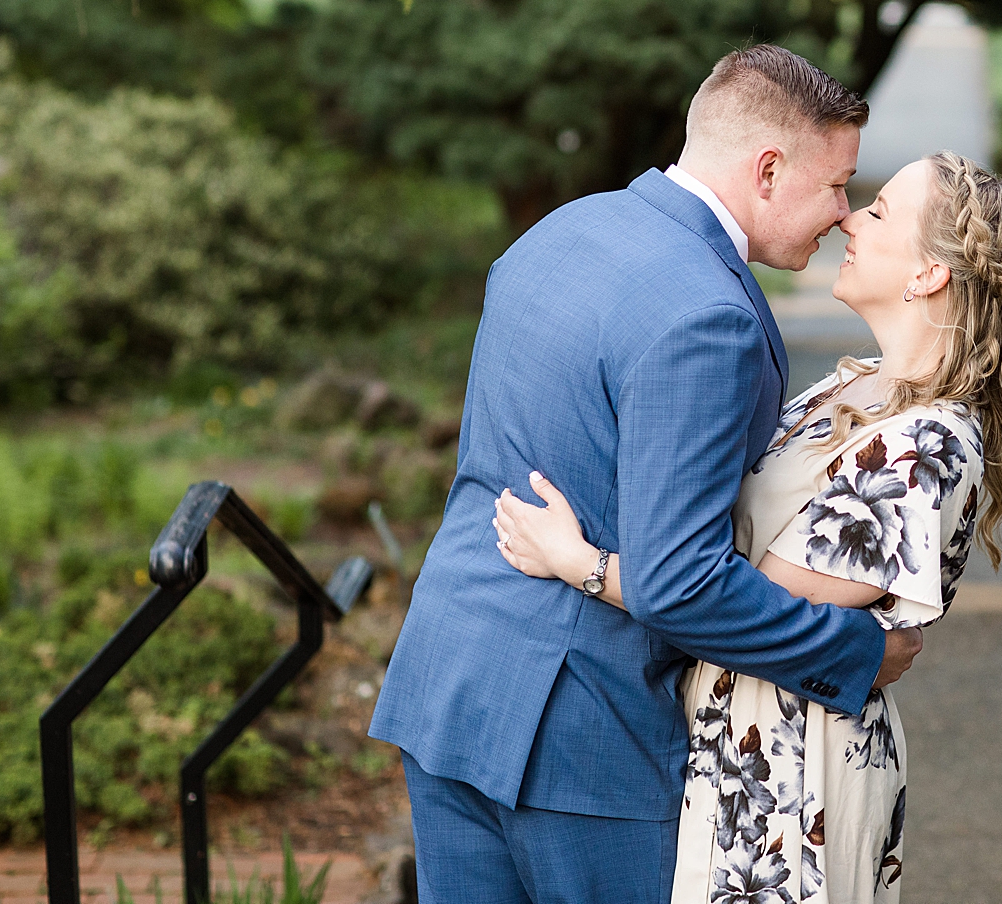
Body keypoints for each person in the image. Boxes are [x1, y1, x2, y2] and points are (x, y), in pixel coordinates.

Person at [370, 45, 927, 904]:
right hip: (587, 742)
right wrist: (858, 652)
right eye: (835, 187)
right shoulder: (707, 314)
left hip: (448, 688)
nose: (842, 214)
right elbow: (679, 584)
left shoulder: (555, 235)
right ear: (769, 169)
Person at [492, 149, 1002, 903]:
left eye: (878, 212)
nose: (851, 216)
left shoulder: (930, 444)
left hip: (796, 768)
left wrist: (579, 562)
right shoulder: (855, 386)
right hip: (736, 738)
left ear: (929, 274)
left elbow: (735, 598)